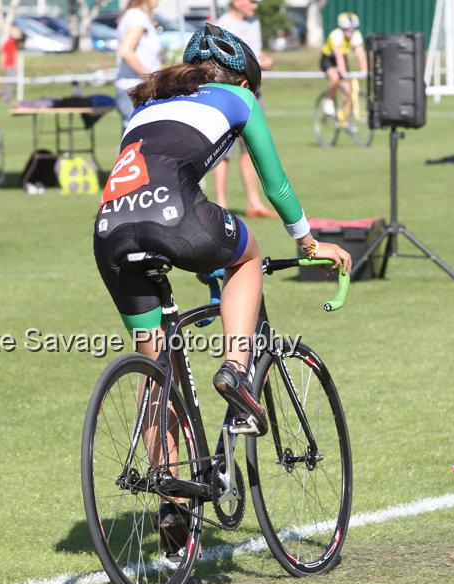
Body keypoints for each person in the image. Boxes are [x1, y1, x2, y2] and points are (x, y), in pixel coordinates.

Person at [93, 25, 351, 544]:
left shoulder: (148, 107)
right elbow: (274, 183)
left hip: (109, 231)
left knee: (156, 369)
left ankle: (172, 502)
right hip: (176, 215)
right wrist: (308, 245)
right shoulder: (236, 98)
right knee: (246, 259)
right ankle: (235, 369)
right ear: (242, 79)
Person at [213, 0, 278, 219]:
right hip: (230, 96)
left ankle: (254, 203)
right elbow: (219, 65)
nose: (255, 5)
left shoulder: (254, 22)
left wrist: (264, 62)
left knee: (250, 149)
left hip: (253, 94)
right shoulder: (222, 25)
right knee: (223, 152)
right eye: (252, 1)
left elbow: (253, 54)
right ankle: (221, 205)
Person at [114, 0, 163, 129]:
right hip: (135, 89)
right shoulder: (137, 17)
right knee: (138, 140)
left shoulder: (137, 16)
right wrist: (151, 77)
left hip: (137, 89)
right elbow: (126, 52)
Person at [320, 12, 368, 130]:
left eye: (353, 30)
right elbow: (338, 56)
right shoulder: (335, 35)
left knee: (348, 90)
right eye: (347, 30)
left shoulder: (356, 35)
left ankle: (346, 120)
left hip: (342, 58)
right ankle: (328, 100)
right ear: (341, 28)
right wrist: (343, 72)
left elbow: (361, 54)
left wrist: (365, 71)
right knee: (335, 78)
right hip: (328, 59)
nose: (350, 33)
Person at [0, 27, 24, 104]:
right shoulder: (8, 42)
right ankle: (5, 96)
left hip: (12, 65)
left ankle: (2, 92)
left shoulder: (14, 43)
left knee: (12, 81)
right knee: (11, 81)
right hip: (9, 65)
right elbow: (3, 55)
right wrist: (1, 65)